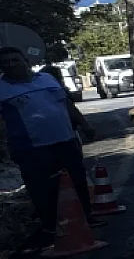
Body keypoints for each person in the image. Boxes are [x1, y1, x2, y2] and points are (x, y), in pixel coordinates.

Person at [0, 47, 99, 247]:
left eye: (14, 60)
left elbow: (67, 106)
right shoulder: (2, 89)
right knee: (42, 188)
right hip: (31, 148)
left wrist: (84, 125)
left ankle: (86, 217)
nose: (11, 64)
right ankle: (51, 227)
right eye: (6, 62)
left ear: (25, 61)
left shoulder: (47, 79)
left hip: (65, 140)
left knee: (77, 179)